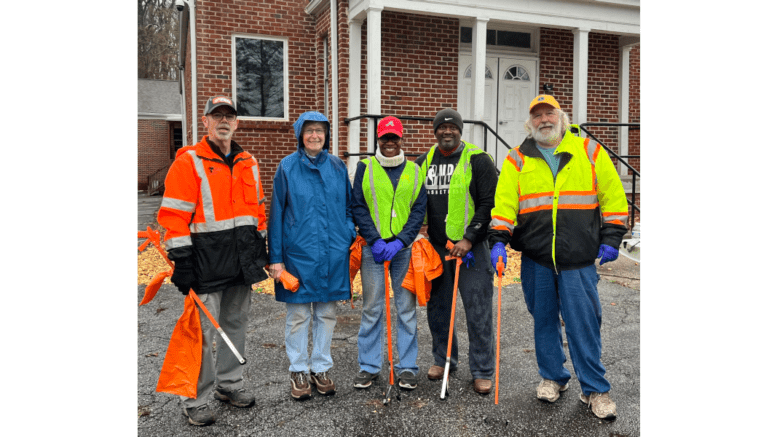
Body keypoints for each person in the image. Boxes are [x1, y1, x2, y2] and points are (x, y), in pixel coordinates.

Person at [488, 94, 628, 420]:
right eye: (537, 116)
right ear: (529, 122)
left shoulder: (590, 151)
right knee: (544, 322)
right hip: (536, 258)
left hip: (577, 258)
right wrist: (497, 241)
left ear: (561, 117)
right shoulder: (516, 160)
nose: (544, 120)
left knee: (584, 325)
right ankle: (553, 377)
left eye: (549, 113)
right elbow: (504, 205)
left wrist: (611, 237)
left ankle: (595, 390)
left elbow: (613, 196)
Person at [158, 96, 269, 426]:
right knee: (202, 334)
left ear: (236, 123)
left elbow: (258, 213)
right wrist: (182, 261)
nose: (224, 120)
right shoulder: (189, 161)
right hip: (205, 263)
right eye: (216, 115)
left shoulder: (248, 161)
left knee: (235, 325)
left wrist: (259, 252)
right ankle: (195, 399)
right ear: (205, 122)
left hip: (241, 262)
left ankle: (229, 385)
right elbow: (173, 216)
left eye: (229, 116)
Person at [267, 111, 356, 401]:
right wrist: (276, 259)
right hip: (299, 254)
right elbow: (277, 214)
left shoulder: (337, 166)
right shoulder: (287, 167)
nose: (315, 136)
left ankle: (321, 367)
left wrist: (346, 234)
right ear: (299, 135)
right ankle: (298, 369)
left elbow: (347, 206)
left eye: (320, 131)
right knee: (298, 314)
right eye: (309, 131)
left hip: (332, 251)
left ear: (326, 134)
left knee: (327, 313)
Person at [415, 108, 498, 394]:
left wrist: (470, 237)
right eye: (442, 127)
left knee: (478, 310)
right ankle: (444, 359)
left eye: (452, 127)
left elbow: (489, 203)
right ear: (435, 131)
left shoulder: (478, 159)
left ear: (460, 131)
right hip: (437, 248)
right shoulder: (423, 162)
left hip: (472, 250)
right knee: (439, 309)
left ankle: (483, 370)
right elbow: (413, 202)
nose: (447, 131)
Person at [351, 116, 427, 390]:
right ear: (378, 140)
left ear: (401, 139)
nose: (390, 143)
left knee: (405, 309)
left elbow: (419, 210)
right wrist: (374, 240)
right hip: (374, 251)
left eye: (395, 138)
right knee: (372, 308)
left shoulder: (415, 170)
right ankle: (369, 366)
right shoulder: (365, 167)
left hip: (404, 251)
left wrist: (400, 241)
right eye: (385, 138)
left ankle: (407, 367)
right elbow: (358, 206)